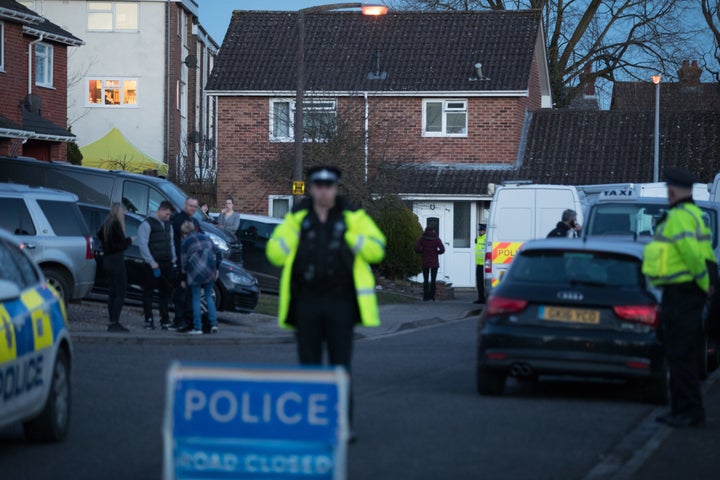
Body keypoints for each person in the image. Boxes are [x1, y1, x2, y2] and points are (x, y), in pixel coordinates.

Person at [266, 165, 386, 441]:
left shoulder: (352, 217)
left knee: (340, 366)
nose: (323, 190)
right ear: (311, 188)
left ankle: (342, 424)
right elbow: (274, 252)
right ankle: (312, 424)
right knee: (309, 366)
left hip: (340, 302)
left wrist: (354, 240)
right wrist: (289, 242)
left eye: (328, 185)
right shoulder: (297, 218)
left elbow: (377, 248)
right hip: (306, 301)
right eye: (318, 185)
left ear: (335, 188)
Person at [642, 167, 717, 428]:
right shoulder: (695, 215)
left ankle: (688, 412)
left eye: (668, 190)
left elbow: (694, 257)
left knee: (680, 355)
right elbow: (705, 256)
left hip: (682, 293)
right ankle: (679, 411)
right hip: (686, 293)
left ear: (672, 191)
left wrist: (704, 285)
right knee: (681, 355)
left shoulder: (679, 218)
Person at [137, 201, 177, 330]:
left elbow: (171, 243)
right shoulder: (147, 224)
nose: (168, 217)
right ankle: (148, 320)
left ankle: (165, 320)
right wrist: (151, 262)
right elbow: (143, 244)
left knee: (165, 293)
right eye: (167, 214)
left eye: (169, 215)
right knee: (148, 292)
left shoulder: (168, 225)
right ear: (161, 210)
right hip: (152, 265)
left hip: (167, 263)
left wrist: (174, 257)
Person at [180, 221, 222, 335]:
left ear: (184, 232)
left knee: (196, 299)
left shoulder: (185, 242)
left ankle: (198, 327)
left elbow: (183, 262)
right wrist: (217, 268)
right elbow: (219, 253)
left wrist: (183, 278)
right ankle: (214, 324)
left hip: (195, 271)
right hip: (210, 270)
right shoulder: (206, 237)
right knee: (208, 297)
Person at [97, 203, 132, 332]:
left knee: (112, 292)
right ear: (119, 212)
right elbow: (118, 245)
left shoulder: (106, 224)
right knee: (120, 291)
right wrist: (129, 241)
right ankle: (115, 322)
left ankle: (112, 320)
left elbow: (101, 237)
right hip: (116, 261)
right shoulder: (116, 225)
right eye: (123, 212)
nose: (124, 215)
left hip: (107, 261)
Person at [172, 197, 202, 332]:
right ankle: (179, 320)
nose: (193, 209)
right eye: (191, 206)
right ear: (185, 205)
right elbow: (177, 244)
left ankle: (186, 320)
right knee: (181, 293)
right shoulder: (178, 220)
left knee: (189, 294)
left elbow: (201, 238)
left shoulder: (195, 221)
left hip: (193, 263)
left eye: (195, 207)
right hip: (182, 261)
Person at [414, 225, 445, 301]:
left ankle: (425, 297)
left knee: (426, 279)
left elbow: (416, 248)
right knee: (433, 279)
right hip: (434, 261)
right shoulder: (436, 238)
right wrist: (436, 252)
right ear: (433, 230)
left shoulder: (422, 239)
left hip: (425, 261)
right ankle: (432, 296)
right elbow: (442, 249)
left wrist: (422, 252)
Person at [474, 223, 487, 304]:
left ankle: (485, 298)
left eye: (482, 230)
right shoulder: (478, 238)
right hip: (479, 264)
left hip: (485, 264)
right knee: (479, 282)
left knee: (485, 283)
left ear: (485, 231)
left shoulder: (487, 238)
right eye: (480, 230)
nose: (480, 231)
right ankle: (481, 298)